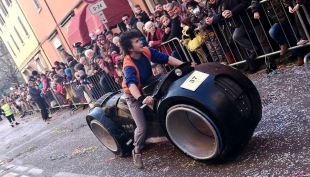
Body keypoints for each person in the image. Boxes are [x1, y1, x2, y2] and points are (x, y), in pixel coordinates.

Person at [119, 30, 184, 169]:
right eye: (137, 41)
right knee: (142, 127)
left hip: (147, 85)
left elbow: (166, 58)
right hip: (133, 95)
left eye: (140, 39)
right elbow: (131, 84)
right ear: (130, 48)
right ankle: (136, 150)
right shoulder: (128, 64)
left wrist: (185, 65)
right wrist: (141, 98)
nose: (141, 42)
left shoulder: (146, 51)